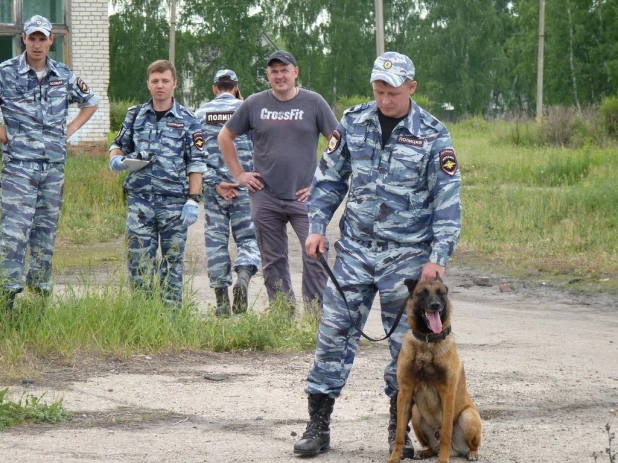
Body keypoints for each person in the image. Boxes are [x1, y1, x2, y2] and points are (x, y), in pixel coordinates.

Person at [293, 52, 462, 458]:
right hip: (354, 251)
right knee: (332, 336)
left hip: (407, 259)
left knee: (406, 348)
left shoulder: (433, 134)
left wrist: (437, 257)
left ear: (411, 88)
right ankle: (319, 426)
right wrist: (317, 227)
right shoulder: (352, 121)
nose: (384, 99)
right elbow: (329, 179)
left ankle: (397, 431)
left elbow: (447, 201)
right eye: (378, 90)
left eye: (393, 92)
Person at [218, 50, 338, 313]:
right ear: (267, 75)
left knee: (316, 254)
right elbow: (225, 137)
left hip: (306, 196)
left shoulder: (314, 103)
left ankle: (316, 317)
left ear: (295, 72)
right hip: (266, 195)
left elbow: (337, 143)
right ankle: (283, 316)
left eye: (284, 70)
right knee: (273, 260)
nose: (279, 75)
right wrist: (239, 174)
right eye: (274, 71)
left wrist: (322, 182)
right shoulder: (253, 104)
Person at [0, 15, 100, 310]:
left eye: (43, 38)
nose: (37, 44)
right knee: (13, 233)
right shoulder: (6, 72)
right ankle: (7, 298)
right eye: (32, 38)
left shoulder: (64, 75)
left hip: (53, 169)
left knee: (45, 232)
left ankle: (39, 296)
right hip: (19, 167)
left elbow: (91, 101)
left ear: (51, 41)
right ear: (24, 40)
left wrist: (69, 130)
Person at [109, 59, 206, 307]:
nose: (160, 85)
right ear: (148, 84)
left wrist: (193, 200)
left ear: (174, 83)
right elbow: (118, 145)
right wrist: (116, 160)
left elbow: (196, 162)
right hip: (140, 202)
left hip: (174, 204)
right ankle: (143, 316)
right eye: (155, 81)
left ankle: (171, 320)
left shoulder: (188, 119)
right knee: (139, 263)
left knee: (172, 264)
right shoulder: (135, 115)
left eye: (165, 81)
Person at [195, 69, 260, 316]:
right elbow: (260, 149)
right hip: (246, 187)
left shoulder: (200, 114)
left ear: (215, 88)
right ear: (235, 87)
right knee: (249, 239)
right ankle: (243, 275)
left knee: (216, 243)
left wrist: (214, 182)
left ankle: (221, 302)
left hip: (215, 191)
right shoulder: (248, 110)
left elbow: (195, 154)